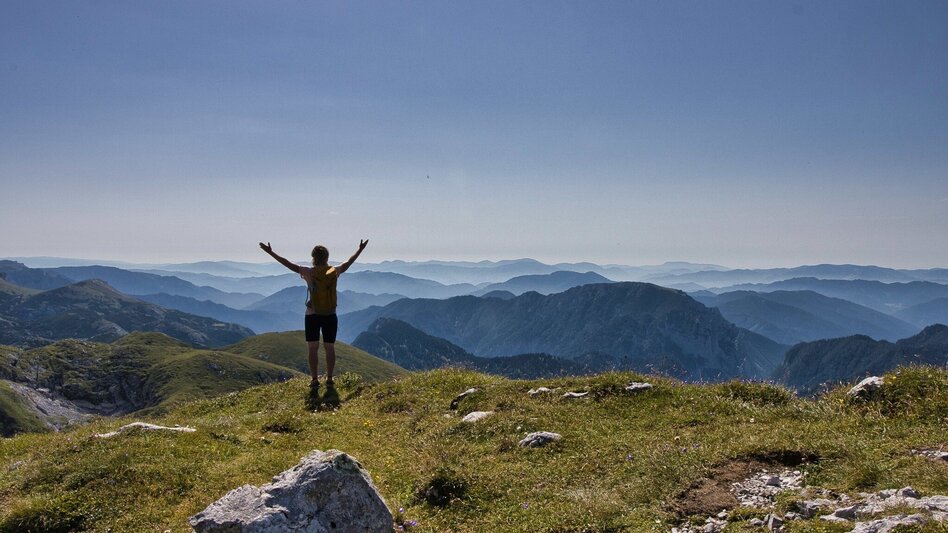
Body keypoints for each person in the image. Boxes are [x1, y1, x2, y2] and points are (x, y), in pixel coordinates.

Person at [259, 239, 368, 387]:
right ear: (327, 258)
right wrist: (360, 249)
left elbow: (288, 264)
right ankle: (330, 379)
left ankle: (315, 380)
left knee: (312, 348)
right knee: (329, 347)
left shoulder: (308, 272)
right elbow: (348, 263)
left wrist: (271, 252)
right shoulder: (333, 271)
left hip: (312, 314)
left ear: (313, 258)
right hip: (330, 313)